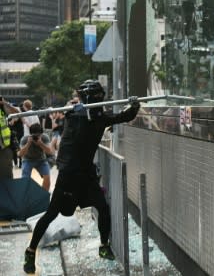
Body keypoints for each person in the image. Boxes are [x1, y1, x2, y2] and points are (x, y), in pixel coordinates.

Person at [23, 80, 140, 274]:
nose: (99, 101)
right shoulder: (74, 116)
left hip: (86, 175)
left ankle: (104, 246)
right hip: (68, 174)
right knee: (52, 213)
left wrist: (135, 105)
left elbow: (123, 116)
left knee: (103, 207)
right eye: (96, 98)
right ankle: (30, 250)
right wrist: (76, 110)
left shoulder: (100, 117)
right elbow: (77, 124)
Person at [18, 123, 54, 191]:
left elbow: (49, 152)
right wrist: (28, 144)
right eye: (35, 136)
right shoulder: (25, 139)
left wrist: (41, 144)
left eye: (39, 135)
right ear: (30, 134)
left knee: (47, 177)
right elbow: (20, 154)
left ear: (41, 134)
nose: (37, 138)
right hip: (27, 160)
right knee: (25, 179)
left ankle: (44, 194)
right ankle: (26, 195)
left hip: (41, 160)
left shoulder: (44, 137)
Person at [0, 96, 20, 179]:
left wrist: (5, 103)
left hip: (4, 148)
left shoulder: (2, 109)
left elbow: (17, 113)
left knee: (7, 177)